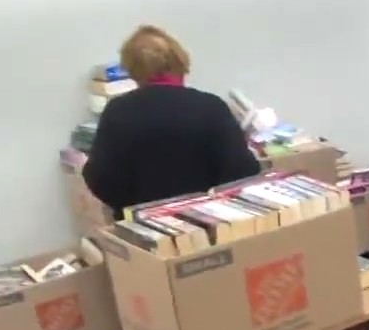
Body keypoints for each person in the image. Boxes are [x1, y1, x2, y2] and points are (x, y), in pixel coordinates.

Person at [81, 25, 260, 212]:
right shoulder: (211, 106)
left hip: (142, 225)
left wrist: (133, 205)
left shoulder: (118, 112)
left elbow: (100, 179)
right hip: (208, 223)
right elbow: (243, 172)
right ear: (180, 61)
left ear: (132, 70)